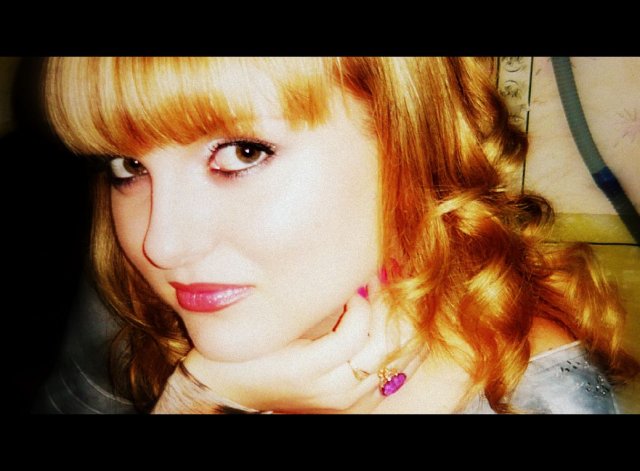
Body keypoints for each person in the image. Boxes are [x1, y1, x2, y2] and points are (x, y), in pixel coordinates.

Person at [40, 57, 638, 414]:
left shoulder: (534, 395)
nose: (161, 246)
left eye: (243, 152)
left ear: (407, 143)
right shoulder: (126, 306)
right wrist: (195, 398)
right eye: (127, 166)